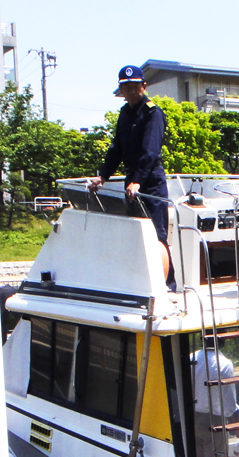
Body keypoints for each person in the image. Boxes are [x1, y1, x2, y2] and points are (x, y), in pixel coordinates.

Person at [87, 65, 175, 291]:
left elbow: (150, 151)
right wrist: (103, 176)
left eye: (136, 86)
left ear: (144, 86)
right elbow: (117, 148)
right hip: (132, 182)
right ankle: (141, 284)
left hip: (150, 181)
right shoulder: (125, 114)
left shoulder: (152, 113)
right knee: (136, 235)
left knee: (157, 235)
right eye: (126, 87)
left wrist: (137, 180)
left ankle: (168, 285)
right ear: (121, 91)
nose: (132, 90)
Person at [191, 337, 239, 457]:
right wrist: (237, 426)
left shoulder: (191, 358)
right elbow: (229, 401)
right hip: (214, 419)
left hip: (192, 416)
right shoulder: (224, 364)